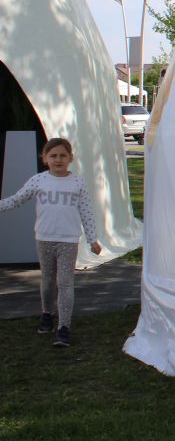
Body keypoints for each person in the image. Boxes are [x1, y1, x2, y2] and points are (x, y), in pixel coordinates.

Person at [0, 138, 102, 347]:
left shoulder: (77, 182)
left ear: (70, 158)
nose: (58, 160)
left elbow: (87, 212)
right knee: (47, 281)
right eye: (53, 156)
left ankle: (64, 328)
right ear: (45, 158)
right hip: (44, 239)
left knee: (65, 283)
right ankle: (47, 313)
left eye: (63, 155)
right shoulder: (38, 180)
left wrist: (93, 239)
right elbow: (16, 199)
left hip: (68, 241)